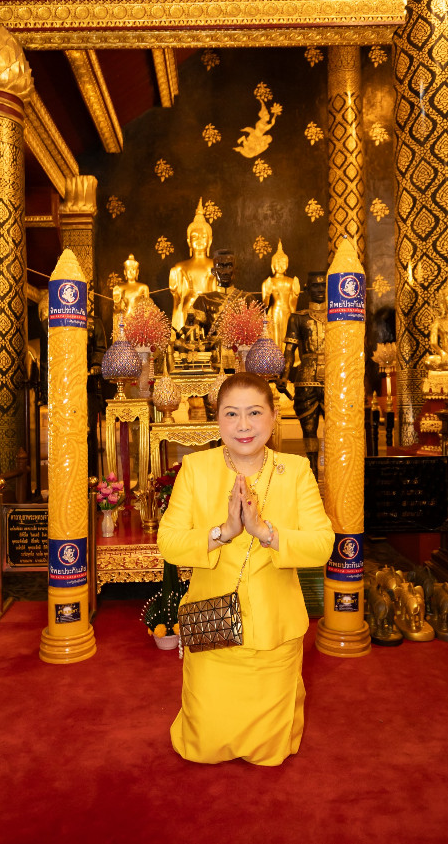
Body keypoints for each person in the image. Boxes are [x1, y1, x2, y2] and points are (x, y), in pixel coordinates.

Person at [157, 372, 334, 766]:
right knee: (204, 741)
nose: (243, 425)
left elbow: (322, 545)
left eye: (254, 413)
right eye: (231, 413)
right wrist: (223, 533)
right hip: (213, 624)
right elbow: (168, 541)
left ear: (273, 416)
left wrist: (266, 533)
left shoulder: (296, 470)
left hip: (275, 628)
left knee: (270, 750)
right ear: (217, 419)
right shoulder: (196, 468)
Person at [276, 271, 327, 473]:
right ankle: (312, 471)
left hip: (333, 378)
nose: (320, 289)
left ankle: (336, 472)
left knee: (337, 428)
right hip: (307, 378)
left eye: (324, 285)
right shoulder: (298, 318)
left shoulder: (338, 317)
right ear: (307, 289)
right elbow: (289, 351)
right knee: (309, 428)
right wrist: (284, 375)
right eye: (315, 285)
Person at [169, 198, 216, 331]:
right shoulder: (180, 267)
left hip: (209, 309)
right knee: (188, 335)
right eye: (194, 237)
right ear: (189, 242)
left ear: (210, 241)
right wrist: (175, 329)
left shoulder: (215, 265)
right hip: (188, 308)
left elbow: (219, 297)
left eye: (203, 237)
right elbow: (177, 302)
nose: (199, 240)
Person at [261, 240, 300, 349]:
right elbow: (265, 305)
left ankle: (288, 356)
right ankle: (274, 357)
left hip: (287, 312)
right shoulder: (268, 282)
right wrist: (267, 293)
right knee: (275, 338)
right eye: (278, 262)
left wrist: (295, 295)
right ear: (273, 265)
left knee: (287, 336)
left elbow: (292, 304)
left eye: (283, 262)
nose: (280, 265)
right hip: (275, 312)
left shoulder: (291, 281)